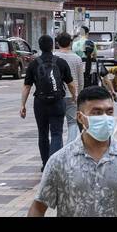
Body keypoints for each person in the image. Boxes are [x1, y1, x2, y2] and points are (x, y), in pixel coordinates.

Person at [28, 86, 117, 217]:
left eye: (109, 112)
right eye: (97, 112)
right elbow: (38, 207)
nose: (105, 118)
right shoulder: (60, 161)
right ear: (80, 117)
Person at [21, 34, 76, 168]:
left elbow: (27, 86)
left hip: (40, 103)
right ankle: (54, 165)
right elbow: (71, 83)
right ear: (52, 46)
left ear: (39, 47)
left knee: (42, 133)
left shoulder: (34, 63)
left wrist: (22, 105)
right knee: (57, 133)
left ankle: (45, 164)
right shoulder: (60, 62)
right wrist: (74, 97)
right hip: (58, 102)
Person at [54, 32, 83, 142]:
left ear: (57, 43)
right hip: (72, 95)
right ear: (70, 43)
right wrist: (78, 95)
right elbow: (81, 81)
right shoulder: (77, 58)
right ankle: (69, 147)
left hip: (57, 95)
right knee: (72, 123)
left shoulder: (54, 57)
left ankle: (58, 148)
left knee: (57, 124)